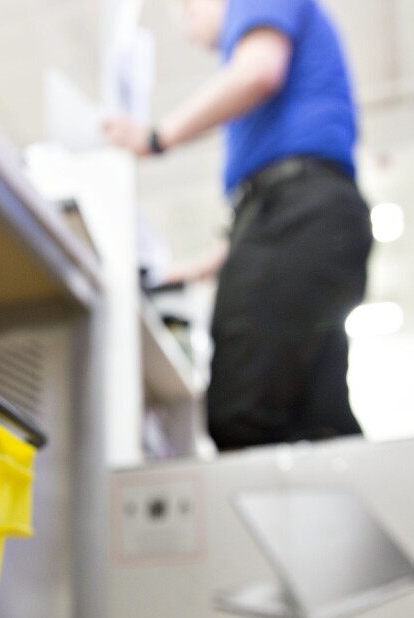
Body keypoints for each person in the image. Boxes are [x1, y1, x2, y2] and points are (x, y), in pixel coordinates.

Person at [106, 0, 372, 450]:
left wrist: (156, 136)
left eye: (187, 14)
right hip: (312, 214)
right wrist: (217, 258)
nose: (190, 34)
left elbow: (257, 74)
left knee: (241, 411)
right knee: (320, 415)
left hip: (297, 208)